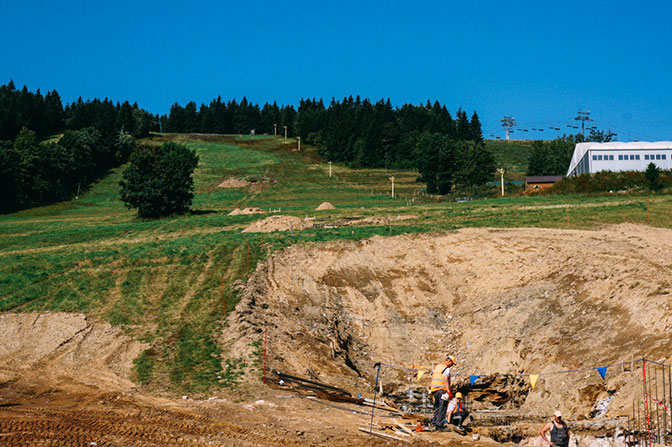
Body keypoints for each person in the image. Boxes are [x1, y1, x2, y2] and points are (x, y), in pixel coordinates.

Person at [429, 355, 456, 429]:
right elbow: (445, 379)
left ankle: (434, 423)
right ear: (449, 361)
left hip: (435, 390)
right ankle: (440, 425)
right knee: (443, 407)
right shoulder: (446, 368)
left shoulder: (438, 367)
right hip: (442, 390)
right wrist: (448, 391)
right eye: (452, 364)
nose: (452, 366)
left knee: (437, 407)